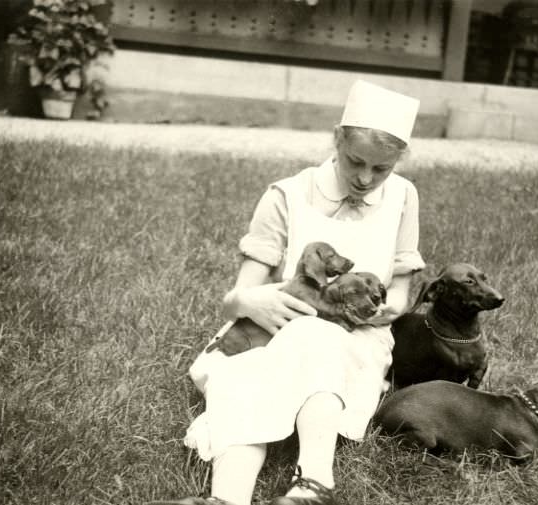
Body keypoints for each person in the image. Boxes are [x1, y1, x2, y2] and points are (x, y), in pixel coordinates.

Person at [176, 80, 425, 505]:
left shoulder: (402, 197)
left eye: (381, 169)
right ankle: (227, 499)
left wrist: (388, 309)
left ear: (398, 161)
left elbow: (401, 290)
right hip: (275, 324)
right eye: (355, 161)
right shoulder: (286, 195)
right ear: (336, 139)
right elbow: (239, 296)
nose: (366, 178)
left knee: (318, 337)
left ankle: (313, 483)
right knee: (246, 367)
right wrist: (252, 302)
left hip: (355, 338)